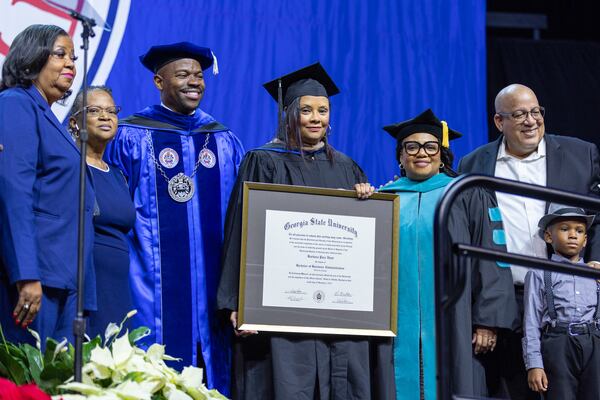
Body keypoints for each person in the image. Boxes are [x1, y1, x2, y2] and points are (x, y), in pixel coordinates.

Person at [217, 62, 394, 400]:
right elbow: (242, 230)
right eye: (307, 110)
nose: (316, 118)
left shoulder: (346, 166)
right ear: (288, 115)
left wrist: (367, 202)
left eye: (323, 110)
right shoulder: (263, 160)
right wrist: (237, 301)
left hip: (338, 316)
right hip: (278, 310)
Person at [104, 42, 244, 394]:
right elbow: (115, 211)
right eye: (182, 75)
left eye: (198, 75)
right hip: (151, 285)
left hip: (214, 290)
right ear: (158, 82)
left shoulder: (223, 140)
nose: (193, 82)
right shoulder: (132, 136)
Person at [458, 83, 600, 399]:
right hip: (505, 300)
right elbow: (469, 238)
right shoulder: (474, 165)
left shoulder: (580, 154)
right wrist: (483, 312)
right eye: (520, 114)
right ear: (499, 122)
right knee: (511, 389)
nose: (531, 121)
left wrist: (597, 262)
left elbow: (598, 217)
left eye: (536, 112)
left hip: (566, 305)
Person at [378, 109, 518, 399]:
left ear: (442, 154)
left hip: (455, 317)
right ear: (400, 157)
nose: (422, 153)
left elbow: (492, 254)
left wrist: (488, 320)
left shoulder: (467, 193)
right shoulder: (385, 199)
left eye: (431, 147)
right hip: (395, 321)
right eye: (411, 146)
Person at [0, 24, 96, 343]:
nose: (70, 63)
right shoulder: (16, 104)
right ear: (32, 57)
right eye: (60, 54)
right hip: (34, 277)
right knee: (27, 385)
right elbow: (15, 193)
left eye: (73, 56)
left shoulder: (49, 115)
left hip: (65, 279)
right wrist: (26, 274)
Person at [68, 86, 136, 338]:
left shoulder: (118, 174)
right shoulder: (68, 166)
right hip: (85, 284)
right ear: (75, 122)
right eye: (95, 111)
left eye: (111, 111)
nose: (106, 117)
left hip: (118, 287)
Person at [523, 204, 600, 399]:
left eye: (579, 230)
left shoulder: (594, 273)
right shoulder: (539, 272)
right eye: (565, 229)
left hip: (593, 343)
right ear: (549, 237)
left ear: (585, 240)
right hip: (558, 344)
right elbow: (531, 322)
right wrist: (534, 363)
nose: (573, 235)